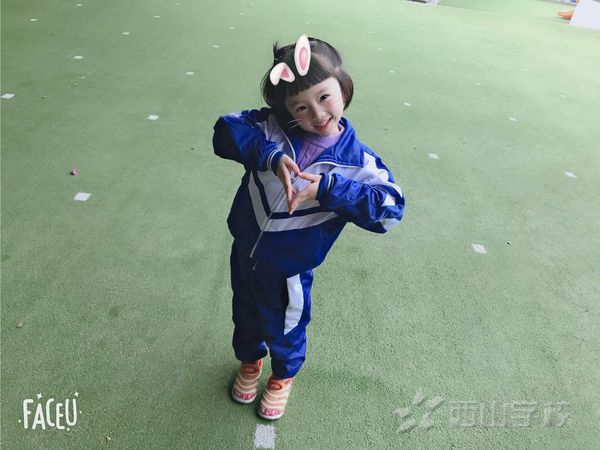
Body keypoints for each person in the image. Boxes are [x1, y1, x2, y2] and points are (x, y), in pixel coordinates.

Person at [212, 35, 405, 420]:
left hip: (290, 269)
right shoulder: (268, 129)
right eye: (300, 107)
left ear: (344, 88)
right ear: (285, 110)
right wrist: (269, 155)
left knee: (286, 325)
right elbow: (225, 131)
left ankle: (282, 376)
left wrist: (331, 189)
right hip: (245, 250)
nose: (317, 114)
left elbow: (389, 209)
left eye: (324, 97)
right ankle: (250, 361)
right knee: (245, 313)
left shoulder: (359, 163)